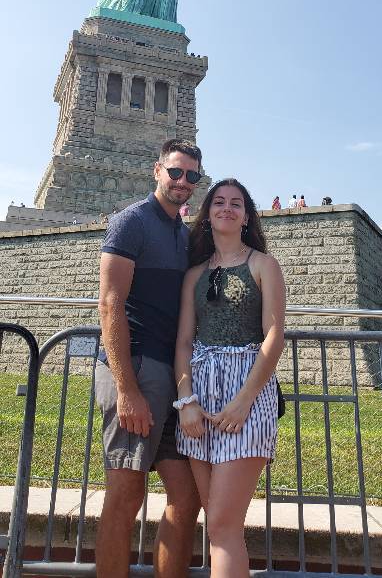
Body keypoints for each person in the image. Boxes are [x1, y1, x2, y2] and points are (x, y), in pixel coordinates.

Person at [95, 139, 204, 578]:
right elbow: (110, 303)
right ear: (157, 170)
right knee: (125, 494)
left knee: (187, 496)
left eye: (192, 176)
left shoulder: (183, 232)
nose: (182, 182)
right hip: (137, 368)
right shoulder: (131, 222)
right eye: (175, 172)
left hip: (173, 376)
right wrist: (126, 388)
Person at [174, 179, 286, 577]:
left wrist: (244, 402)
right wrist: (185, 402)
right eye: (218, 202)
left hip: (247, 395)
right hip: (199, 400)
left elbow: (274, 336)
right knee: (219, 526)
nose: (227, 208)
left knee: (221, 524)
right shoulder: (195, 275)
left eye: (236, 203)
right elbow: (185, 341)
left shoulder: (263, 265)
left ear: (247, 216)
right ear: (207, 215)